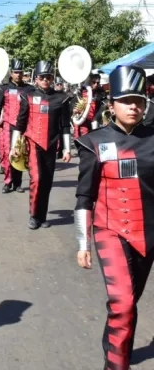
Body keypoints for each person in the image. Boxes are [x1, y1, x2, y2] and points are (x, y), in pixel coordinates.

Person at [74, 64, 154, 370]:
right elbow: (84, 196)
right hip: (111, 231)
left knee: (129, 303)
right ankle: (115, 365)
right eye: (126, 100)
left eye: (139, 100)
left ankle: (116, 346)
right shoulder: (93, 142)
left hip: (148, 233)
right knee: (122, 304)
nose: (133, 106)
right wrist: (83, 243)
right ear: (112, 105)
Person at [11, 60, 72, 230]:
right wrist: (14, 146)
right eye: (42, 77)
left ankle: (42, 215)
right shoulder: (27, 96)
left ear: (52, 79)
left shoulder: (61, 98)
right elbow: (20, 123)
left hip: (51, 146)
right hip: (33, 144)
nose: (45, 80)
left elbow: (65, 126)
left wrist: (67, 148)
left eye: (48, 77)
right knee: (36, 179)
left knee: (47, 181)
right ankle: (33, 215)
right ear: (36, 78)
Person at [0, 59, 32, 193]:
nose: (18, 75)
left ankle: (18, 183)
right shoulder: (3, 88)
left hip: (22, 127)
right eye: (16, 72)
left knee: (19, 152)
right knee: (6, 153)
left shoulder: (28, 89)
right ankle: (7, 182)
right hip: (7, 125)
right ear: (11, 73)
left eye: (20, 72)